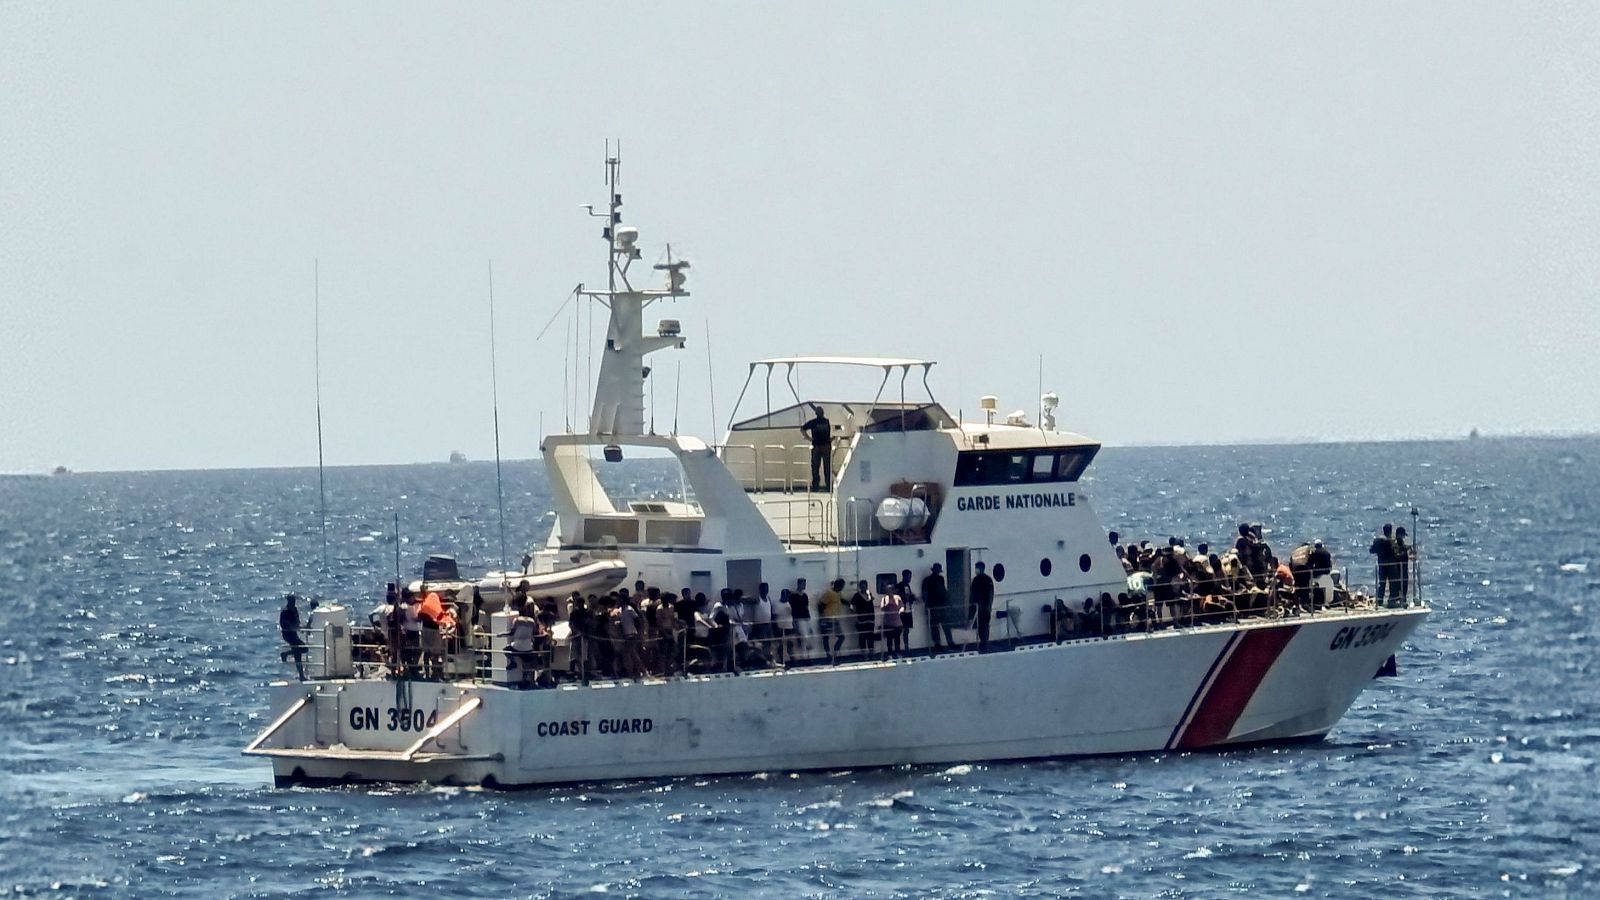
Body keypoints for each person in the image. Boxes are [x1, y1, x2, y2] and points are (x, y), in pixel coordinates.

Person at [921, 563, 954, 651]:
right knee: (936, 627)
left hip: (940, 606)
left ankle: (948, 643)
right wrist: (927, 605)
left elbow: (943, 591)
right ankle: (939, 644)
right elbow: (925, 594)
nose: (938, 572)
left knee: (944, 626)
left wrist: (949, 603)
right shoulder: (928, 580)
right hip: (934, 606)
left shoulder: (940, 579)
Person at [800, 403, 833, 491]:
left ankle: (816, 486)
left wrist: (808, 438)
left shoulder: (814, 422)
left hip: (817, 446)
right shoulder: (826, 422)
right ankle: (828, 486)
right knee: (827, 467)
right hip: (825, 446)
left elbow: (802, 429)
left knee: (815, 467)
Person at [279, 594, 307, 680]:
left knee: (298, 652)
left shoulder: (294, 610)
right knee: (300, 650)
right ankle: (285, 654)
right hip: (288, 634)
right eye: (292, 600)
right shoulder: (285, 611)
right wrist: (293, 627)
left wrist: (300, 627)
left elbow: (297, 621)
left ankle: (301, 675)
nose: (294, 602)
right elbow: (284, 624)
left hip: (294, 634)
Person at [818, 578, 847, 662]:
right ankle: (828, 655)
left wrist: (849, 604)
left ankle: (834, 653)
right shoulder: (829, 593)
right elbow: (821, 604)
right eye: (842, 586)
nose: (842, 588)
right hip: (827, 618)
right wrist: (822, 616)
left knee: (841, 637)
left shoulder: (838, 593)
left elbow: (841, 600)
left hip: (835, 618)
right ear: (839, 585)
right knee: (826, 637)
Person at [969, 561, 995, 651]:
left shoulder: (987, 580)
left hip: (985, 607)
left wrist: (988, 606)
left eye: (977, 568)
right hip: (977, 607)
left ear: (981, 568)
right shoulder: (975, 580)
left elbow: (990, 594)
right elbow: (972, 593)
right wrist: (971, 606)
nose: (976, 570)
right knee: (980, 626)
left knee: (985, 625)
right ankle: (982, 641)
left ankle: (985, 642)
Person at [1369, 524, 1398, 603]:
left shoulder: (1378, 540)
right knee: (1392, 583)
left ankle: (1380, 600)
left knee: (1382, 584)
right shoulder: (1389, 541)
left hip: (1381, 564)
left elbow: (1371, 550)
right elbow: (1393, 553)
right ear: (1390, 531)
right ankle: (1391, 600)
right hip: (1390, 565)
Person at [788, 578, 813, 658]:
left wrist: (809, 618)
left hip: (806, 618)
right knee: (804, 636)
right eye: (803, 584)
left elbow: (806, 607)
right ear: (799, 584)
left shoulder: (805, 596)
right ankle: (803, 655)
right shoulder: (793, 596)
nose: (804, 586)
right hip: (799, 618)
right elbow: (792, 608)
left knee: (808, 637)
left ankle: (807, 655)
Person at [850, 580, 876, 654]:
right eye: (862, 586)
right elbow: (852, 605)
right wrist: (854, 612)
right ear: (860, 587)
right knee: (862, 636)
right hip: (861, 620)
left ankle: (871, 652)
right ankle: (864, 653)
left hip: (870, 619)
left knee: (870, 636)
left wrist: (869, 594)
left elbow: (871, 601)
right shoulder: (857, 595)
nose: (863, 587)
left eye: (865, 586)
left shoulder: (869, 594)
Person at [879, 584, 905, 658]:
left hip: (897, 622)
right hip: (888, 622)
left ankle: (897, 652)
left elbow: (902, 606)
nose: (889, 591)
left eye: (891, 589)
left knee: (897, 638)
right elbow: (882, 609)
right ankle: (890, 652)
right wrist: (887, 604)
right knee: (889, 639)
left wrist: (900, 611)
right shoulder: (883, 599)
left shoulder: (897, 597)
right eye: (888, 590)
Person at [1393, 526, 1412, 604]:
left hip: (1404, 569)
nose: (1403, 537)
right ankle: (1396, 599)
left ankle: (1403, 599)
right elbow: (1397, 554)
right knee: (1397, 586)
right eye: (1403, 535)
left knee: (1404, 586)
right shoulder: (1395, 544)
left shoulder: (1403, 545)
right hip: (1397, 569)